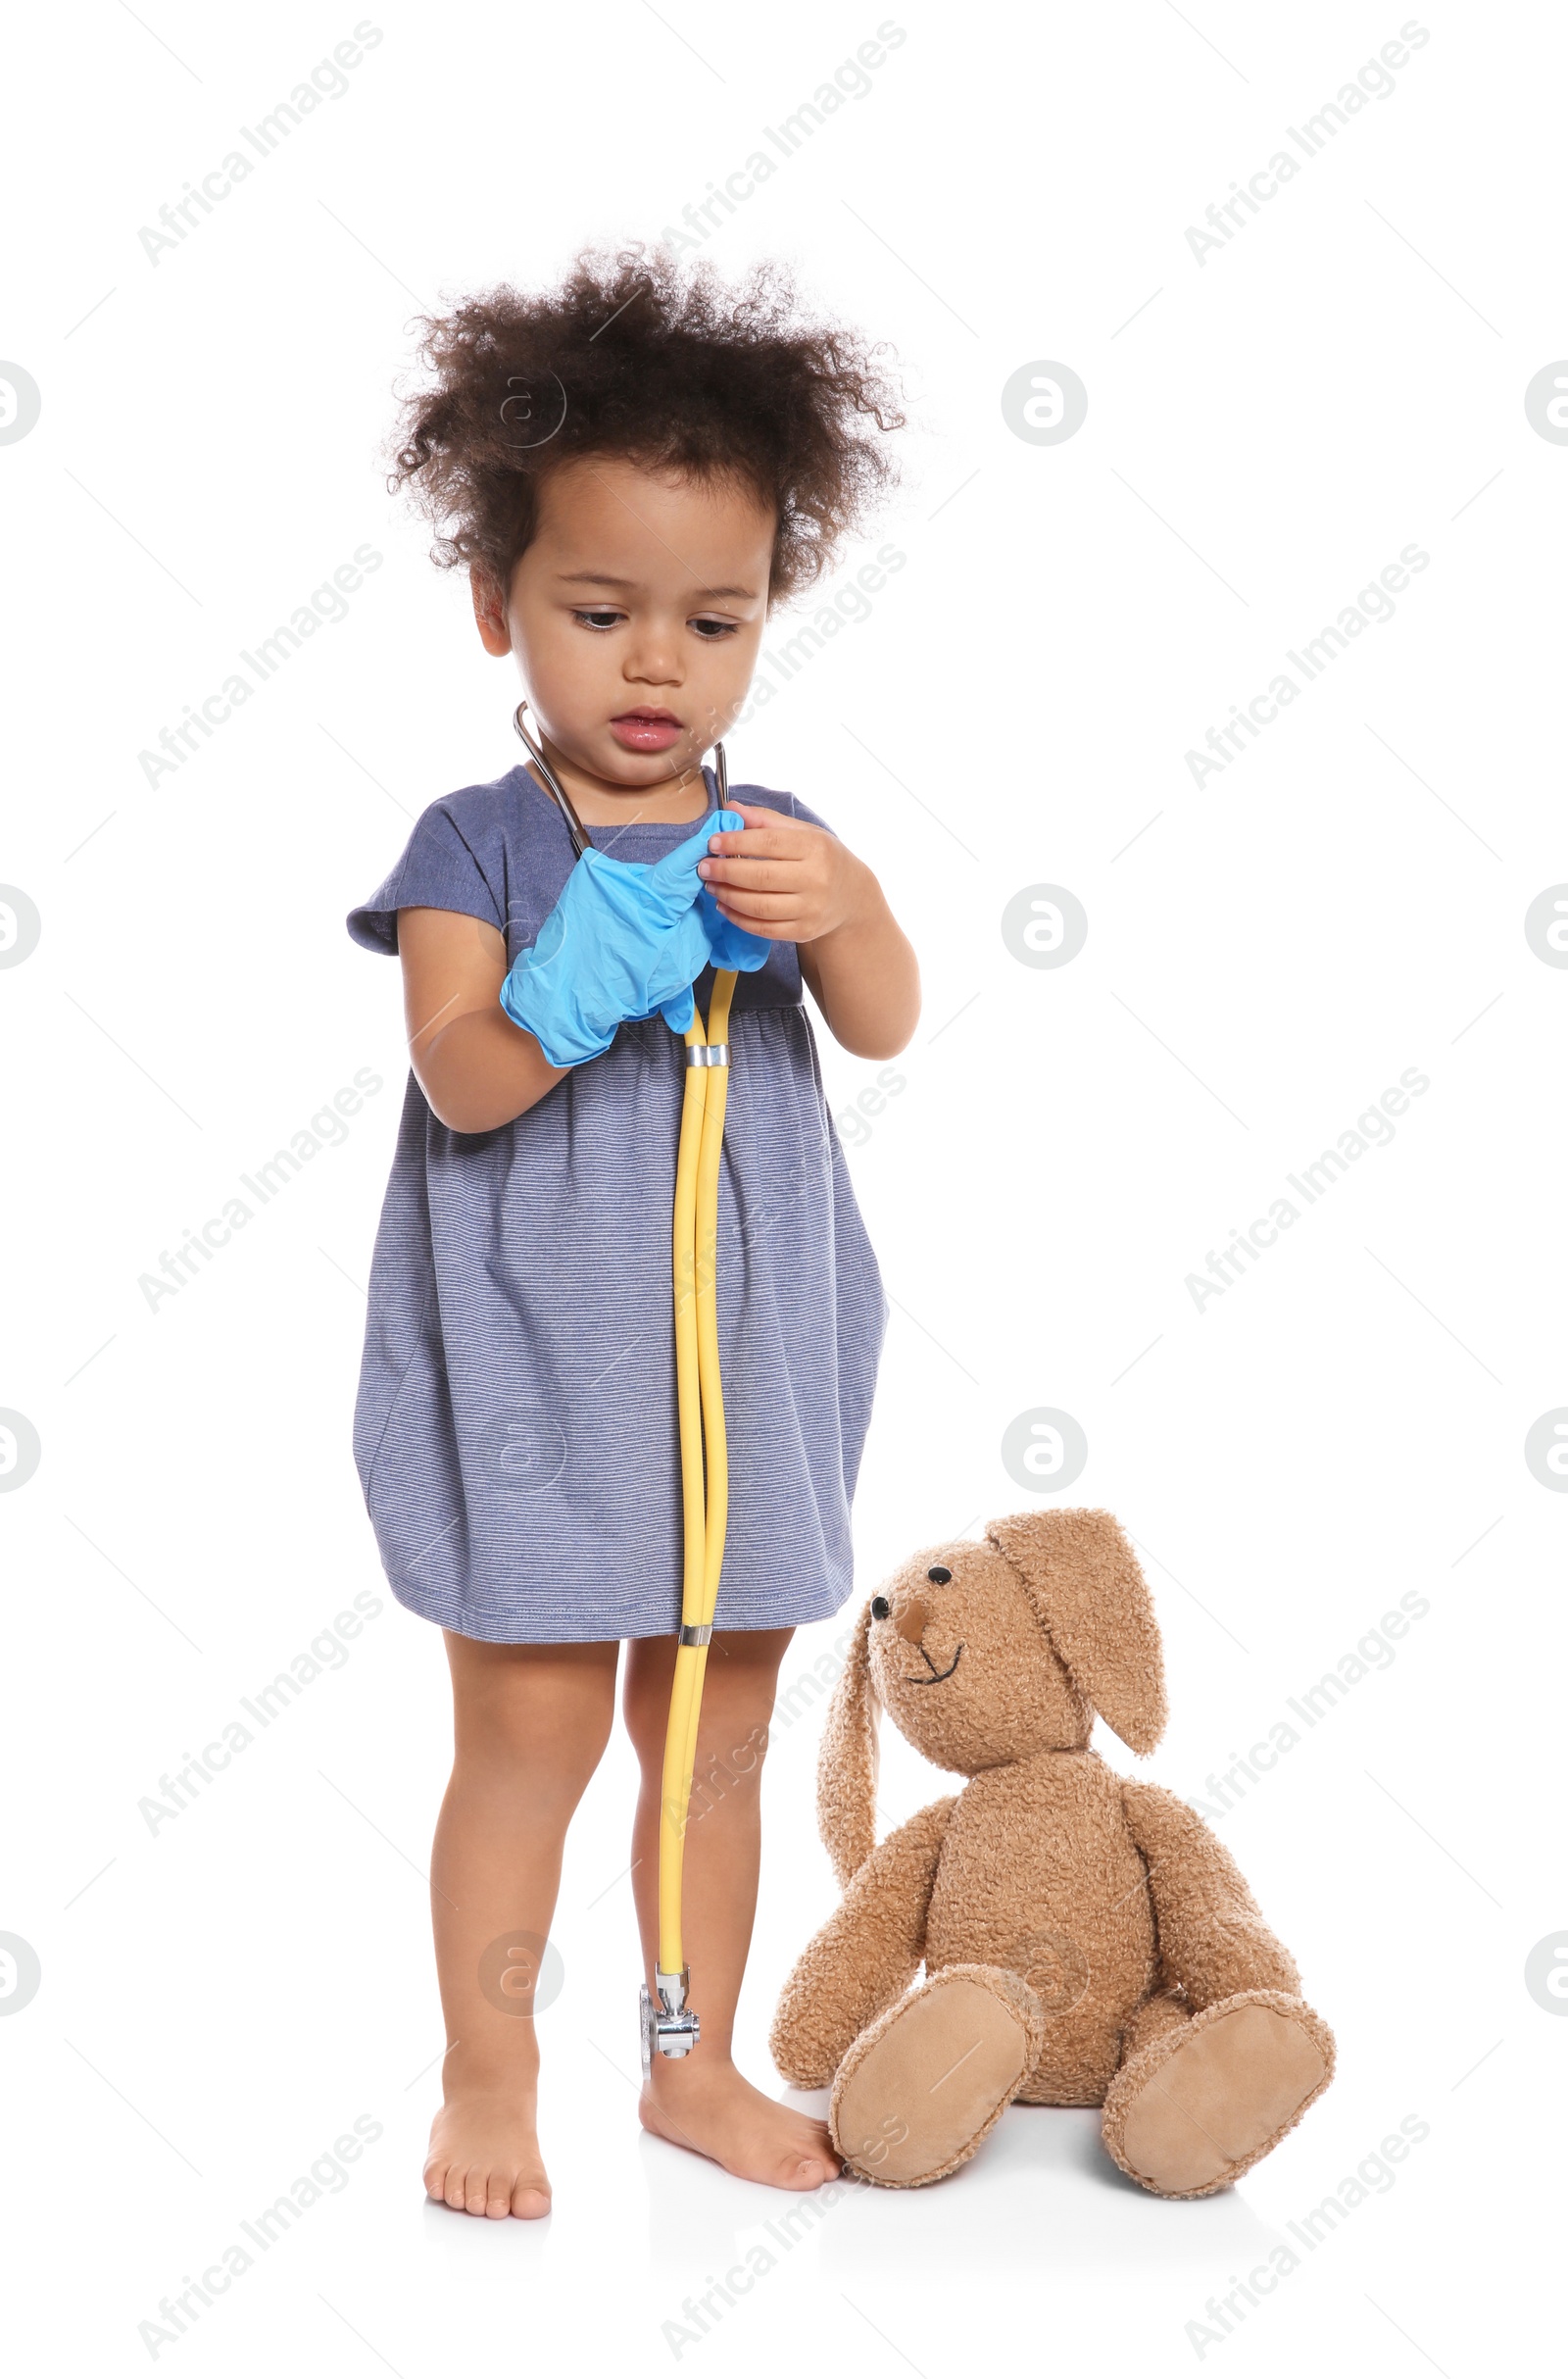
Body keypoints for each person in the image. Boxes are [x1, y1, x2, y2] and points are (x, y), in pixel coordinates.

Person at [346, 249, 918, 2217]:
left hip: (740, 1367)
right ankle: (483, 2075)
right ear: (502, 604)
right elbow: (463, 1082)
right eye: (598, 612)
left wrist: (838, 903)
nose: (654, 663)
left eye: (713, 617)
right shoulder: (477, 846)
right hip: (532, 1361)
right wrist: (564, 976)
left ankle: (689, 2061)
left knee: (719, 1741)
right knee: (528, 1735)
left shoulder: (771, 833)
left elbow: (886, 1017)